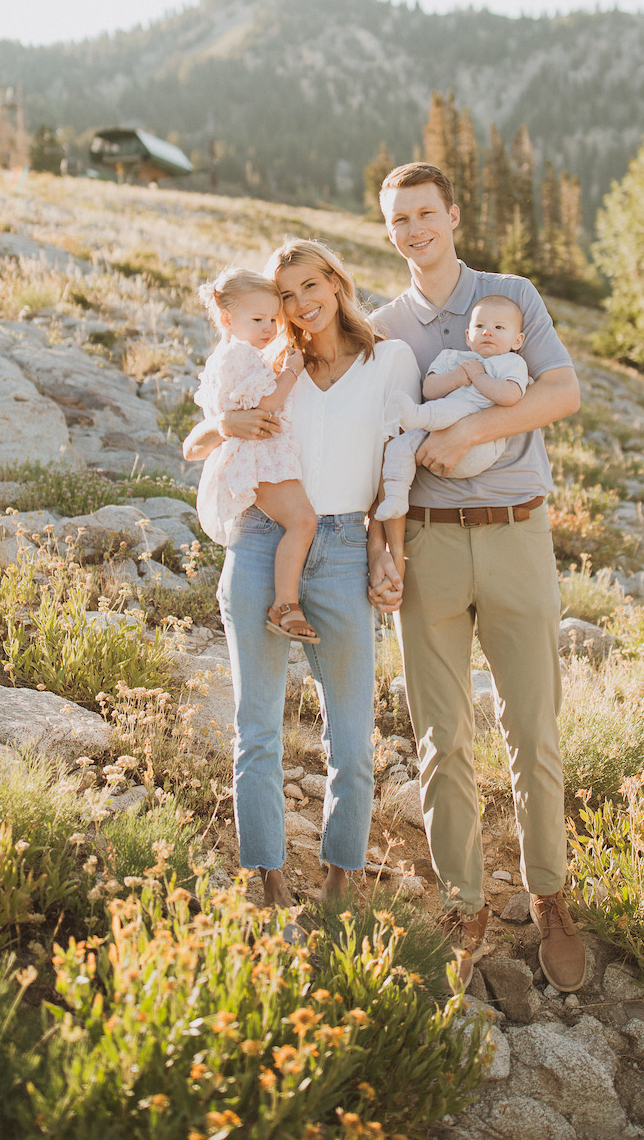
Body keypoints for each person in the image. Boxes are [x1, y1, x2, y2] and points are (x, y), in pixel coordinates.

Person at [368, 161, 586, 993]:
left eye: (425, 212)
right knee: (440, 736)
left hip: (515, 534)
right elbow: (376, 440)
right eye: (398, 219)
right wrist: (383, 548)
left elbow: (562, 392)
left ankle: (549, 895)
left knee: (534, 727)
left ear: (452, 214)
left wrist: (467, 436)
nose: (414, 229)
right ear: (389, 232)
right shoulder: (385, 325)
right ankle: (464, 902)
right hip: (426, 543)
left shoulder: (511, 295)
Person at [183, 239, 418, 913]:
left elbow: (397, 467)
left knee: (351, 736)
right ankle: (270, 877)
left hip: (344, 547)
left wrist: (384, 551)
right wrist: (223, 422)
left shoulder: (388, 361)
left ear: (337, 283)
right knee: (256, 729)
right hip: (262, 543)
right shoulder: (267, 359)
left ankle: (341, 879)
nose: (300, 304)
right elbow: (196, 441)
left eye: (310, 286)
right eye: (285, 295)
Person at [194, 268, 319, 643]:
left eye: (272, 320)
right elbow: (266, 405)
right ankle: (285, 604)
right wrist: (292, 371)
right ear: (227, 319)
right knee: (302, 521)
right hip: (257, 456)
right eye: (258, 319)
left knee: (298, 521)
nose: (268, 328)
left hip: (255, 451)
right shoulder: (241, 356)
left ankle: (285, 601)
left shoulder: (233, 355)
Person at [376, 294, 528, 520]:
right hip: (434, 438)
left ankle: (415, 416)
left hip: (478, 447)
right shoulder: (451, 358)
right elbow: (430, 390)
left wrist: (478, 377)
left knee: (458, 407)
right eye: (480, 326)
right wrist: (456, 377)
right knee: (400, 445)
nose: (487, 332)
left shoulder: (511, 363)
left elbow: (510, 396)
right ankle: (396, 497)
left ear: (517, 341)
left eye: (498, 327)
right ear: (468, 336)